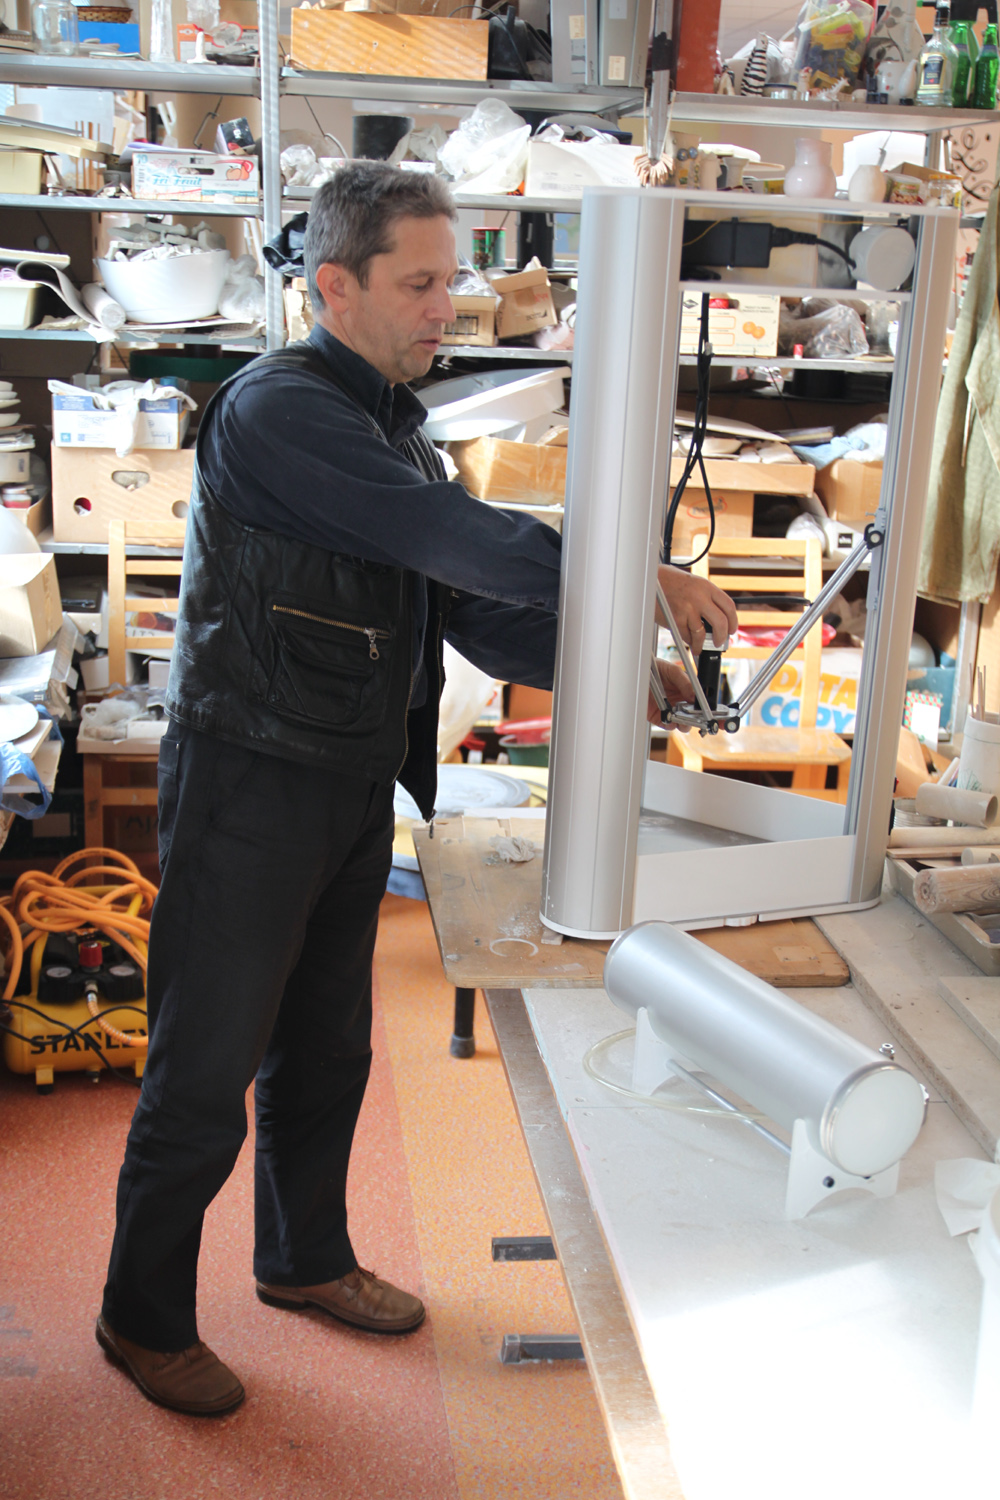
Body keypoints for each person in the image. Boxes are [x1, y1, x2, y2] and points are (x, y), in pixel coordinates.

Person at [96, 162, 738, 1416]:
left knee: (326, 1048)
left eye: (453, 280)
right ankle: (141, 1314)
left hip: (345, 772)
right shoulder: (280, 410)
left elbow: (462, 608)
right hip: (250, 777)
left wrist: (619, 665)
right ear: (334, 286)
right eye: (421, 283)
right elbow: (453, 540)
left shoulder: (393, 424)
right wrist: (630, 570)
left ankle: (303, 1258)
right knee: (205, 1069)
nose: (449, 306)